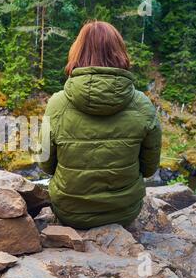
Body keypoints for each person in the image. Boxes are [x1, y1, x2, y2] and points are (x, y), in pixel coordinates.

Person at [38, 20, 162, 229]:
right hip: (124, 213)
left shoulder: (57, 104)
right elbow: (149, 169)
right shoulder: (142, 104)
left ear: (76, 53)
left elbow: (46, 165)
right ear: (120, 53)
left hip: (71, 213)